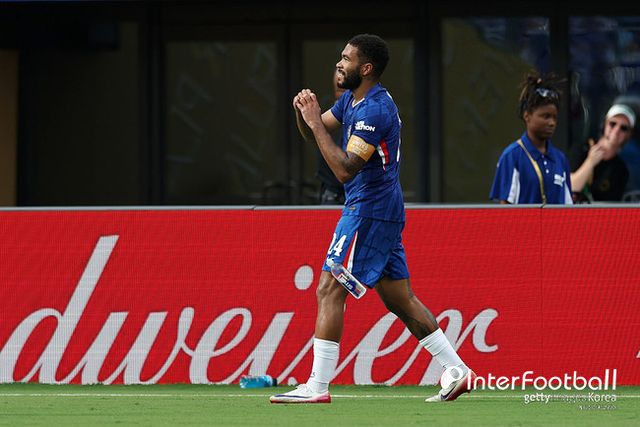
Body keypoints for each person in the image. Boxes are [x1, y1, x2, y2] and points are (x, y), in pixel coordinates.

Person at [270, 34, 474, 404]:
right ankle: (457, 370)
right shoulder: (352, 100)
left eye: (346, 58)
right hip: (380, 210)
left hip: (368, 210)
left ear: (365, 68)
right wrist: (305, 114)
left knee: (329, 288)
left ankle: (317, 386)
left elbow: (344, 170)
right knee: (399, 298)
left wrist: (314, 122)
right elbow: (318, 132)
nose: (339, 63)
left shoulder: (374, 111)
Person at [490, 72, 573, 204]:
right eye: (546, 116)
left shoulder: (560, 159)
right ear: (527, 116)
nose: (552, 123)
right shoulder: (511, 156)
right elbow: (504, 208)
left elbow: (568, 207)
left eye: (554, 117)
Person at [569, 103, 635, 203]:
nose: (616, 130)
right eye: (612, 124)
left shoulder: (621, 169)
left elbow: (612, 206)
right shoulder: (581, 149)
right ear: (604, 124)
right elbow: (571, 187)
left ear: (628, 135)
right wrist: (590, 162)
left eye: (623, 128)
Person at [315, 72, 346, 205]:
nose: (340, 76)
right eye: (338, 70)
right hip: (331, 195)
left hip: (360, 196)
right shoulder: (330, 112)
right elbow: (309, 132)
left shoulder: (369, 112)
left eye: (344, 71)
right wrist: (307, 114)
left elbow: (344, 172)